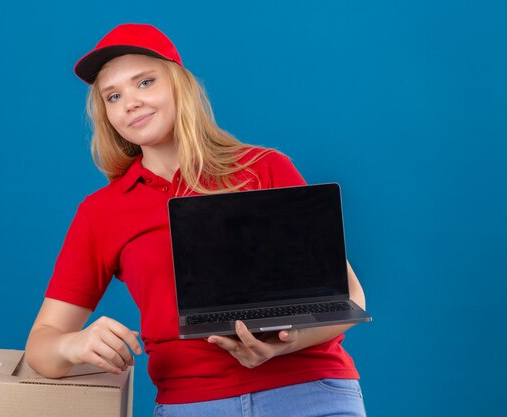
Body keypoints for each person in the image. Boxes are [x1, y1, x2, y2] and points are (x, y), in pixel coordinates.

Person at [25, 23, 367, 417]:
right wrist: (73, 345)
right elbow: (41, 347)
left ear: (179, 86)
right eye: (113, 96)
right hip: (193, 404)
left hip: (309, 392)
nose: (130, 102)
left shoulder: (264, 169)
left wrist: (284, 344)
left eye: (145, 82)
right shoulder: (102, 211)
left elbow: (350, 299)